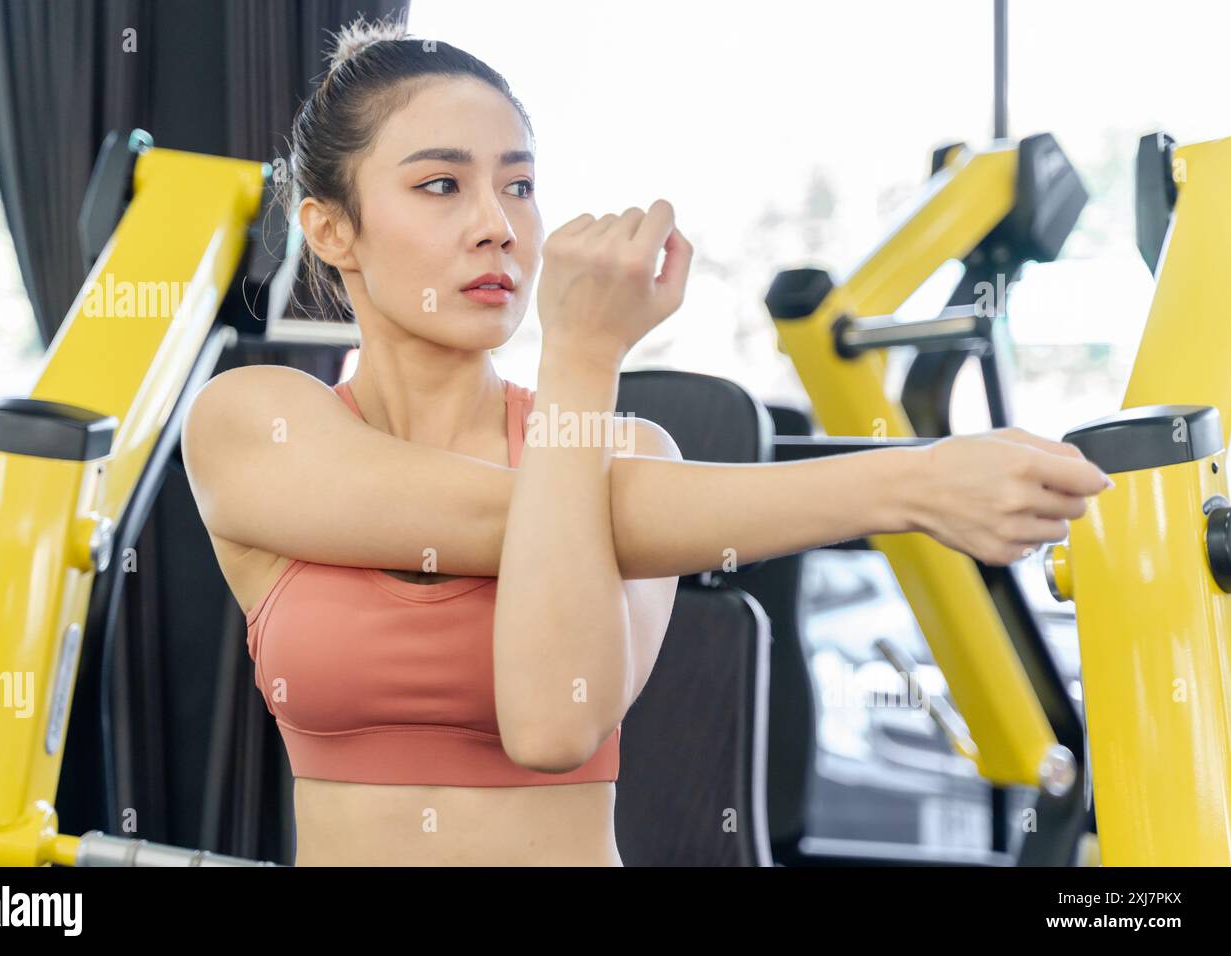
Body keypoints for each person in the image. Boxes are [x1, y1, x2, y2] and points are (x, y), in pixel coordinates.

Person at [180, 14, 1112, 867]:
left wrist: (582, 365)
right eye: (440, 185)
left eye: (520, 185)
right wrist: (911, 483)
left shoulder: (638, 453)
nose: (497, 227)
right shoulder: (254, 422)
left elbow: (553, 729)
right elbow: (550, 515)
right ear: (331, 228)